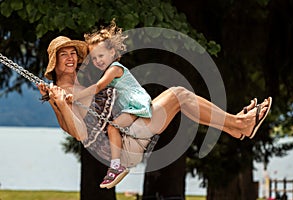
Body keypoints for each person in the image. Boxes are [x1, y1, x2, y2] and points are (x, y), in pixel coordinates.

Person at [37, 35, 272, 189]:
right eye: (63, 54)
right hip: (124, 144)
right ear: (54, 62)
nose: (70, 58)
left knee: (181, 98)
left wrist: (57, 100)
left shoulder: (76, 85)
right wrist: (59, 102)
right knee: (179, 94)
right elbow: (77, 132)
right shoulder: (64, 91)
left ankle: (235, 127)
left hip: (130, 130)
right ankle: (239, 124)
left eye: (72, 53)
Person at [71, 21, 152, 189]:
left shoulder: (114, 68)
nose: (98, 60)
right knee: (114, 128)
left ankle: (116, 166)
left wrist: (77, 96)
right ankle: (118, 163)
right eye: (94, 58)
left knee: (112, 127)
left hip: (136, 103)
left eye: (101, 56)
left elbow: (99, 87)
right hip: (130, 105)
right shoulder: (110, 70)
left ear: (112, 52)